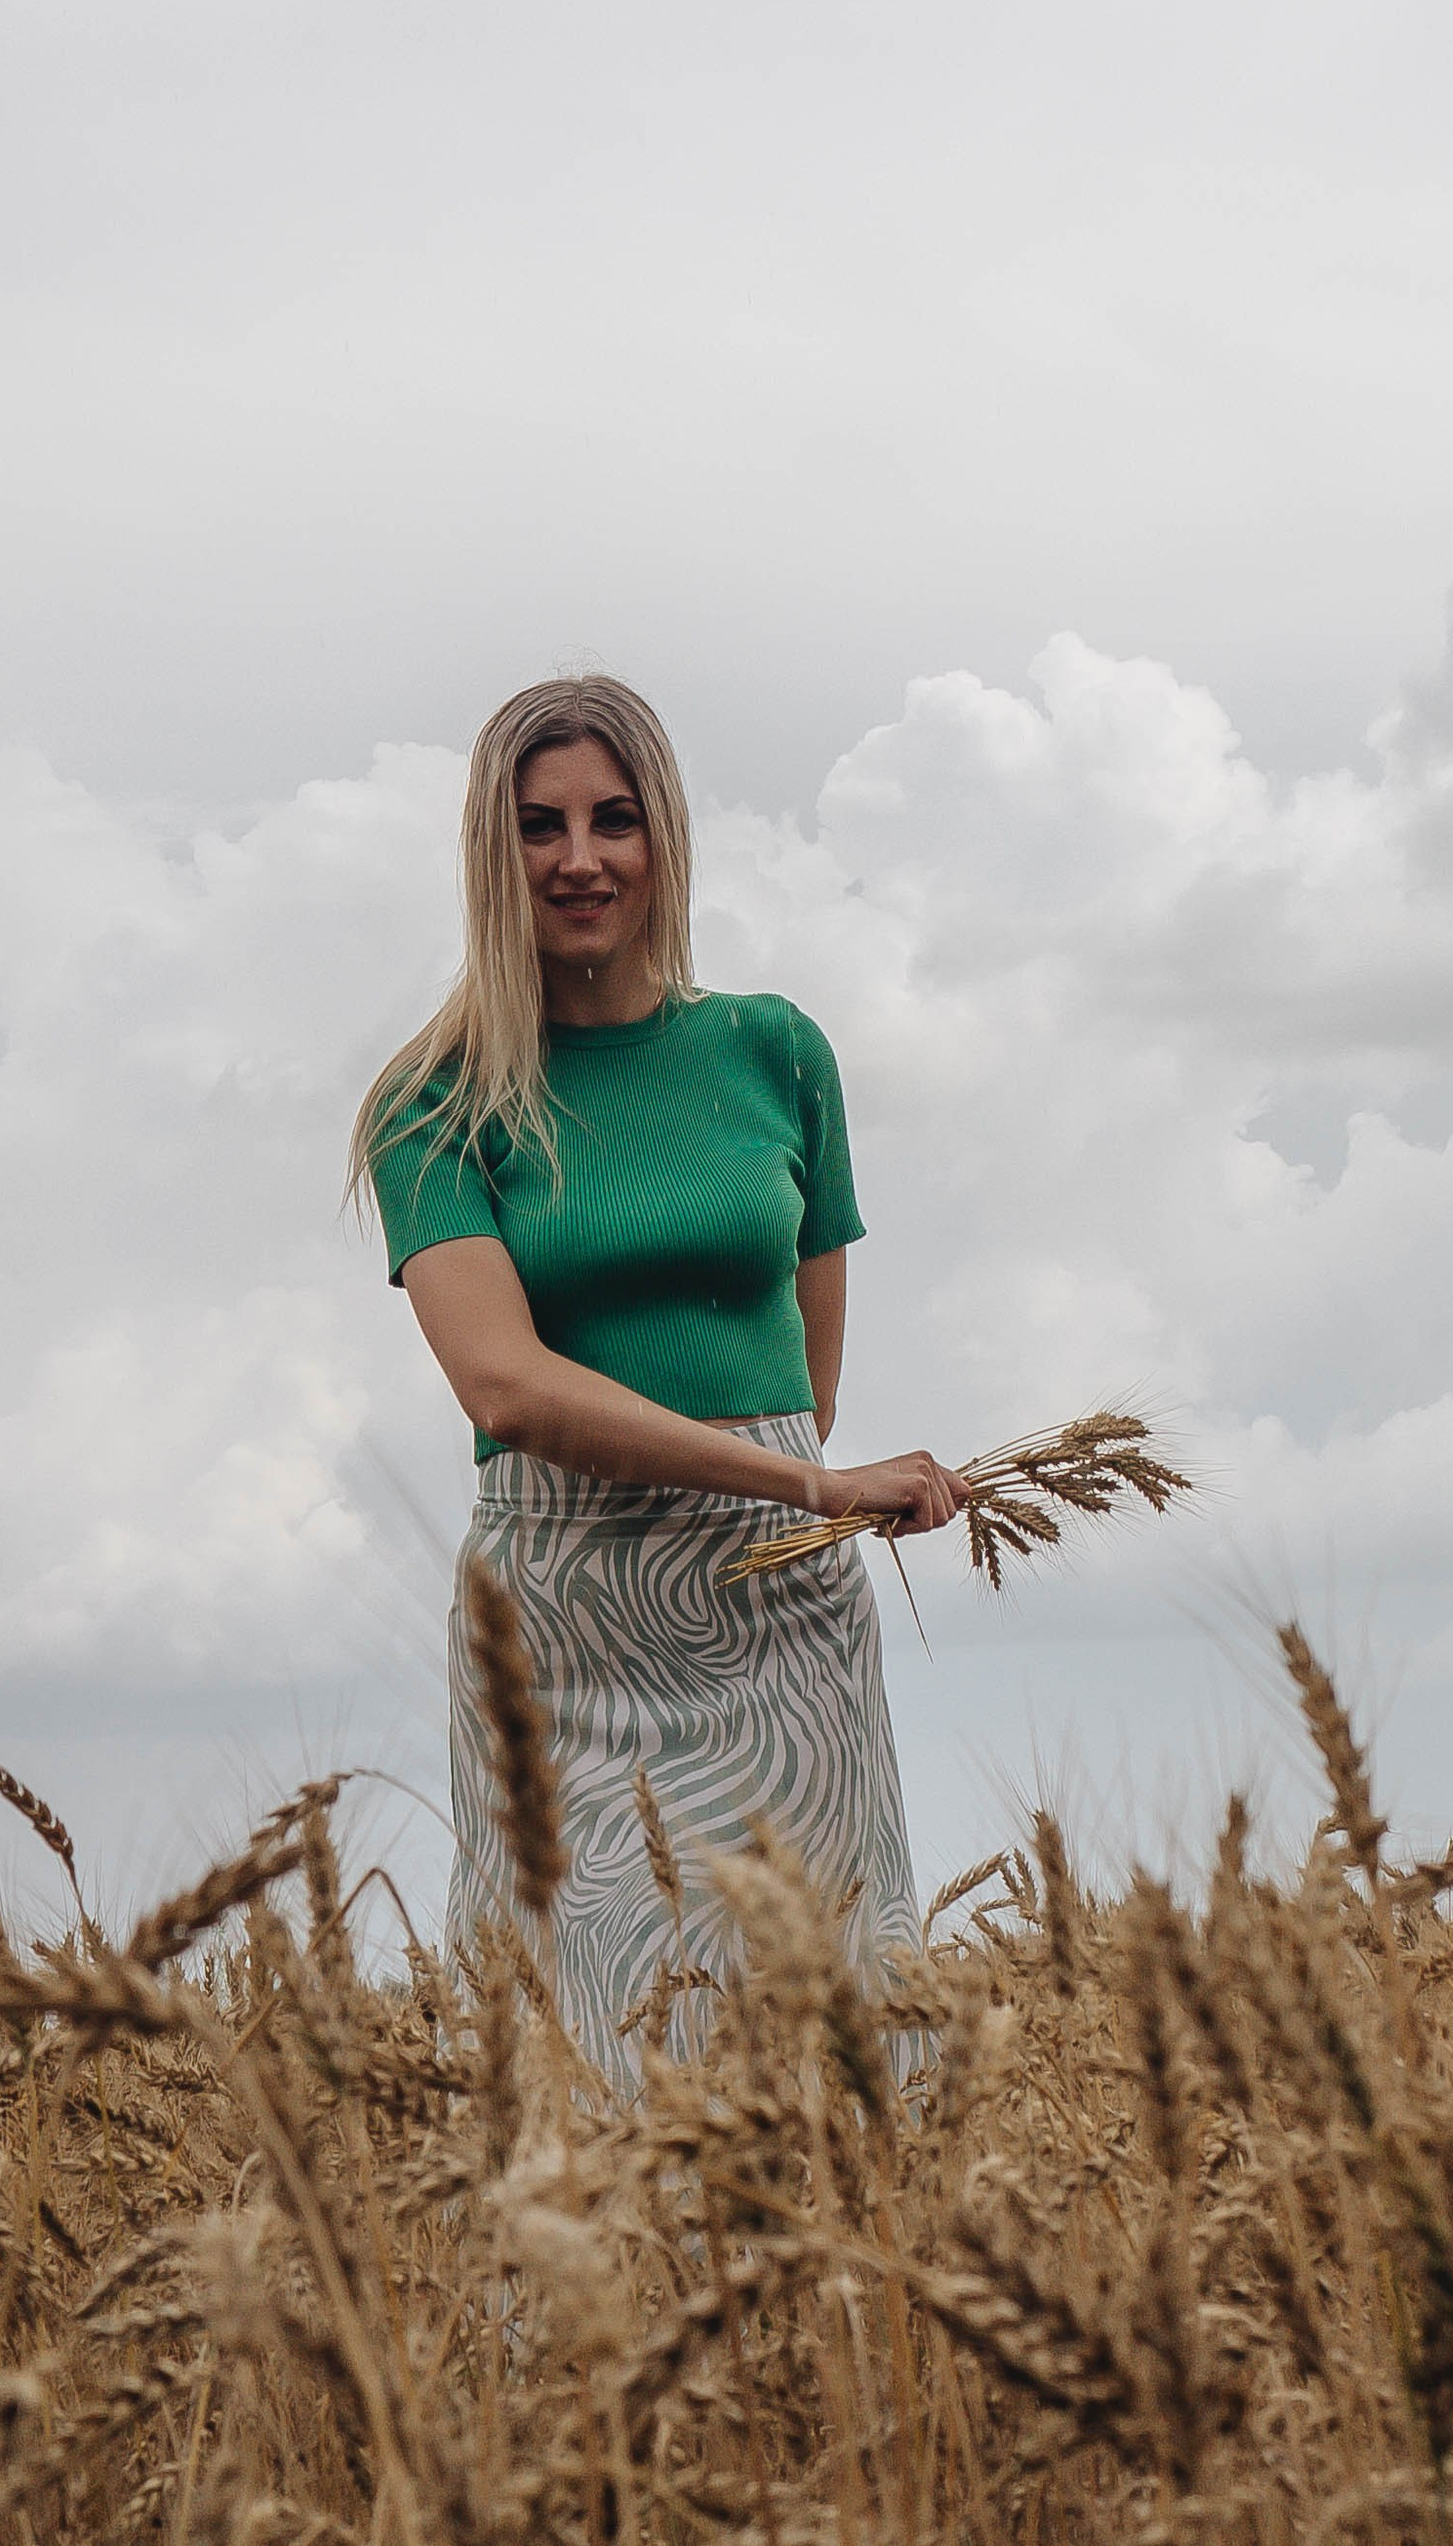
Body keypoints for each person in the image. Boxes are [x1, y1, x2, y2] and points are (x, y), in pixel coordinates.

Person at [350, 672, 966, 2062]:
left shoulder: (776, 1052)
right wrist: (802, 1486)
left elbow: (804, 1372)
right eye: (538, 826)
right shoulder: (434, 1099)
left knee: (832, 2047)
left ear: (665, 837)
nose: (579, 859)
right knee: (588, 2058)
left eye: (614, 820)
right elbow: (504, 1389)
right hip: (563, 1631)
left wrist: (787, 1495)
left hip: (780, 1614)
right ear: (489, 853)